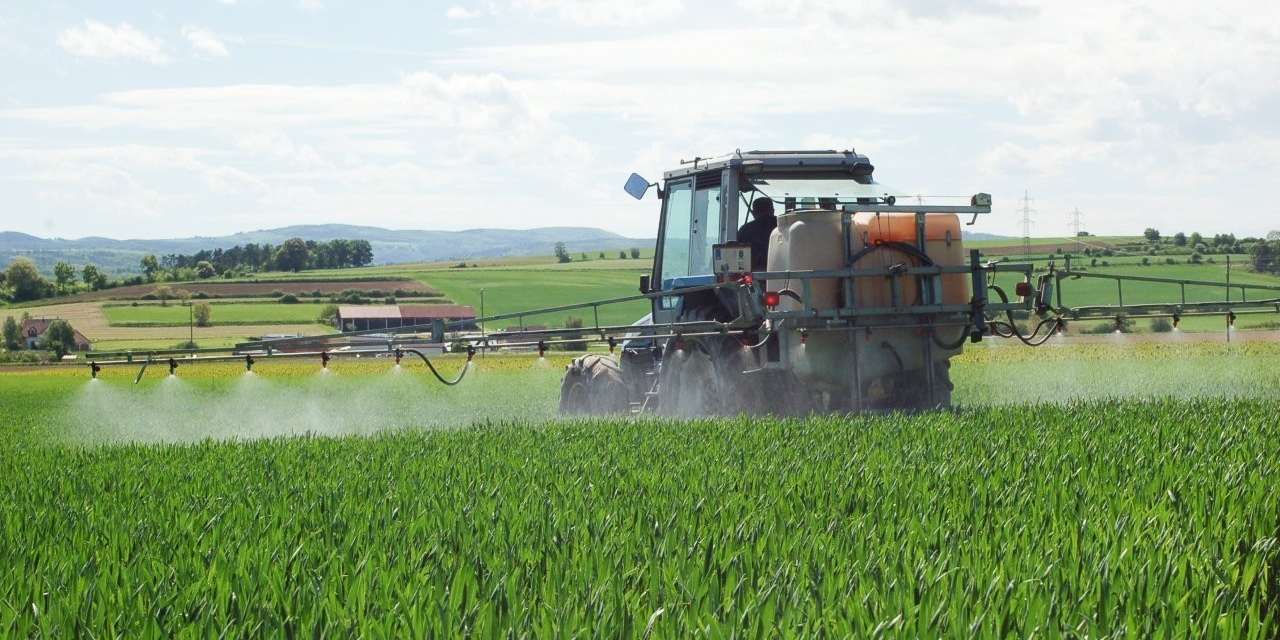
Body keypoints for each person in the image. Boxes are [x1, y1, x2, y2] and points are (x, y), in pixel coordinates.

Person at [737, 197, 777, 271]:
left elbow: (738, 257)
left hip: (753, 276)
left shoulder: (745, 230)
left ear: (753, 213)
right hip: (781, 273)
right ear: (773, 211)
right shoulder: (782, 226)